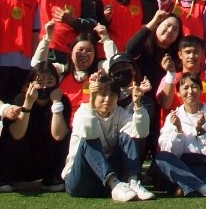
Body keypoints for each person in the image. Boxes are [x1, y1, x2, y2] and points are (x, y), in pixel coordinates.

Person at [62, 72, 155, 202]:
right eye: (102, 94)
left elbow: (141, 132)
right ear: (94, 95)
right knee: (88, 140)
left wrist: (138, 105)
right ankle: (114, 184)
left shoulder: (119, 113)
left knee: (128, 135)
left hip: (105, 184)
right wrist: (92, 104)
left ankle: (133, 182)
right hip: (81, 182)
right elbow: (90, 134)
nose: (107, 99)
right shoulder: (83, 112)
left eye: (112, 95)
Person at [0, 62, 71, 192]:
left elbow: (59, 135)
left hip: (42, 162)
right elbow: (17, 134)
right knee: (11, 135)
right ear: (30, 84)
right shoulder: (19, 99)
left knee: (68, 132)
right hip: (19, 160)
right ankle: (4, 177)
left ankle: (52, 178)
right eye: (39, 82)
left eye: (50, 82)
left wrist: (56, 104)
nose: (44, 87)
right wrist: (28, 104)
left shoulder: (62, 101)